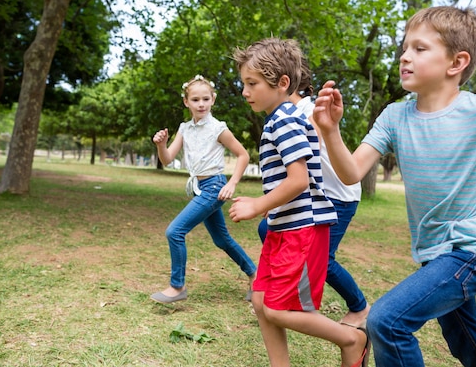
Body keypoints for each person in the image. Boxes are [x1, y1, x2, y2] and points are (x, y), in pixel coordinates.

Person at [312, 6, 476, 366]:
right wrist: (331, 131)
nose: (404, 56)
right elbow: (351, 172)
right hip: (435, 254)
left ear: (456, 62)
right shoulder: (395, 116)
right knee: (465, 341)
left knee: (387, 321)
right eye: (404, 48)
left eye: (419, 48)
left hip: (474, 249)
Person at [229, 38, 369, 367]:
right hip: (283, 226)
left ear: (282, 83)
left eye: (252, 84)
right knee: (262, 302)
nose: (245, 92)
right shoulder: (279, 118)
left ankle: (352, 338)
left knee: (280, 308)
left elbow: (299, 179)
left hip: (303, 230)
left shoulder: (287, 121)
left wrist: (257, 205)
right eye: (243, 84)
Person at [257, 57, 370, 329]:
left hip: (338, 196)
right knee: (267, 229)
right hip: (312, 195)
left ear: (284, 83)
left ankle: (360, 307)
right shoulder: (285, 115)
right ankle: (280, 291)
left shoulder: (306, 110)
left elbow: (309, 148)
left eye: (256, 82)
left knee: (324, 259)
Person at [150, 74, 257, 304]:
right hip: (200, 187)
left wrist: (232, 183)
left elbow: (243, 155)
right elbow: (167, 159)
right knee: (222, 240)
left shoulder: (218, 128)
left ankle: (177, 287)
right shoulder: (184, 129)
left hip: (215, 186)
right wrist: (161, 145)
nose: (201, 104)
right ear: (186, 102)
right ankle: (254, 274)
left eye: (206, 99)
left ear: (213, 100)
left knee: (174, 231)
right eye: (196, 99)